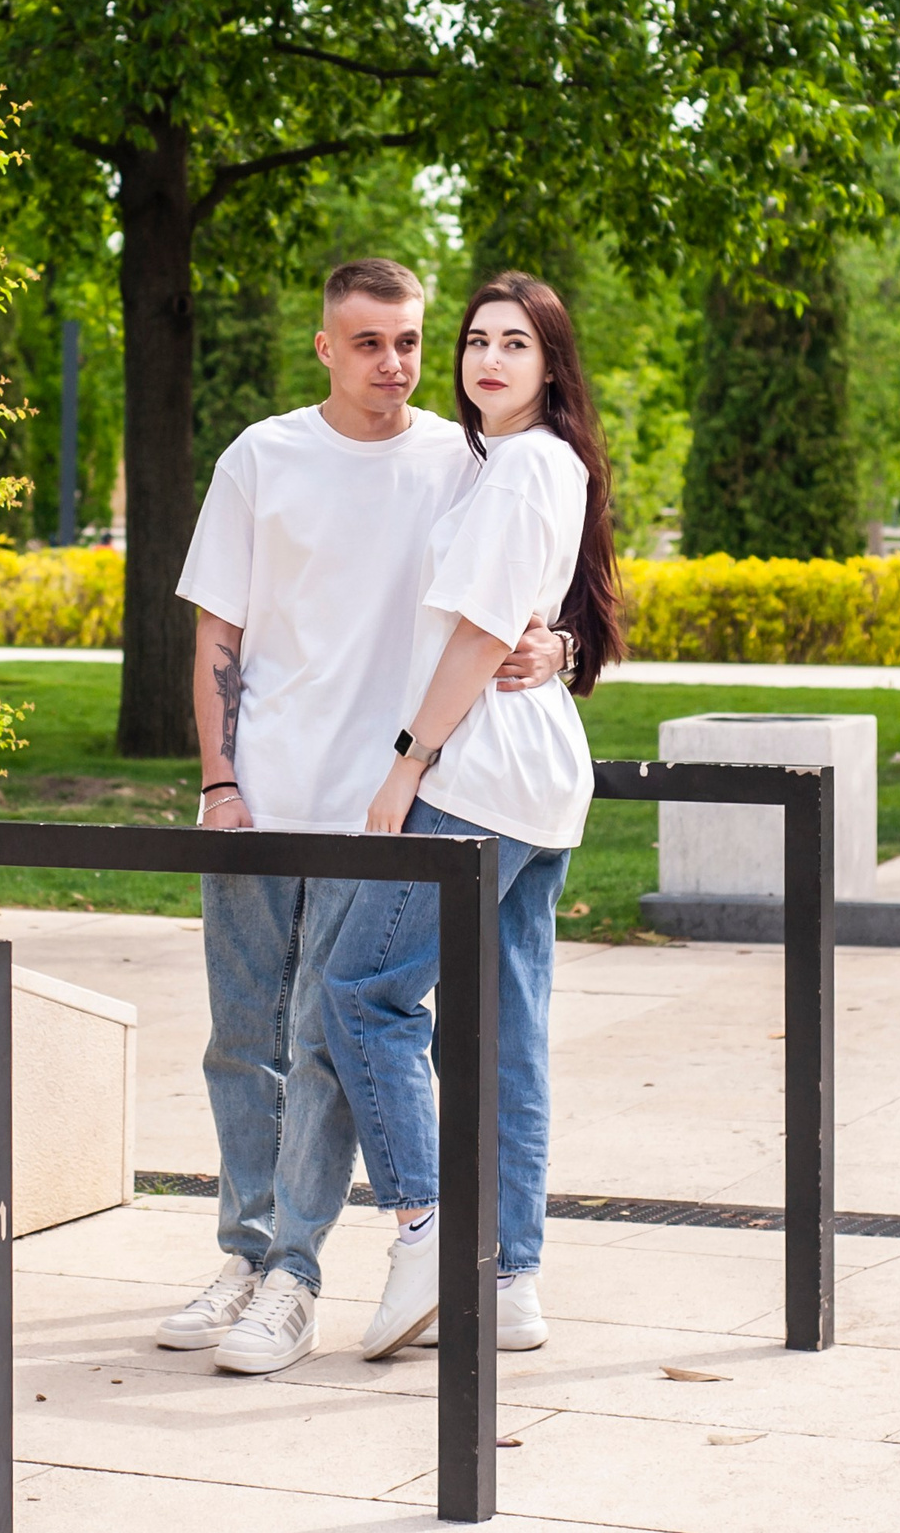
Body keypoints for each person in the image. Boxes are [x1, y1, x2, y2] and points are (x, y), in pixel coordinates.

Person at [161, 258, 564, 1375]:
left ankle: (294, 1275)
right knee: (241, 1042)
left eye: (410, 342)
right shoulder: (263, 455)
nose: (395, 365)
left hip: (385, 809)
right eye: (370, 343)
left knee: (323, 1042)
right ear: (326, 349)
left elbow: (526, 587)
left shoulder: (464, 456)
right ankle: (244, 1256)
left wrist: (556, 643)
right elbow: (217, 640)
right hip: (261, 797)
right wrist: (219, 783)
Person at [311, 270, 623, 1362]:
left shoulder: (522, 467)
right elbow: (531, 619)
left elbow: (483, 634)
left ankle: (428, 1231)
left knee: (361, 993)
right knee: (507, 1033)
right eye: (477, 341)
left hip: (478, 779)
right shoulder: (523, 464)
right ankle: (514, 1281)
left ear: (549, 369)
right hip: (537, 785)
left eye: (515, 345)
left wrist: (407, 764)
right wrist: (563, 646)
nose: (487, 359)